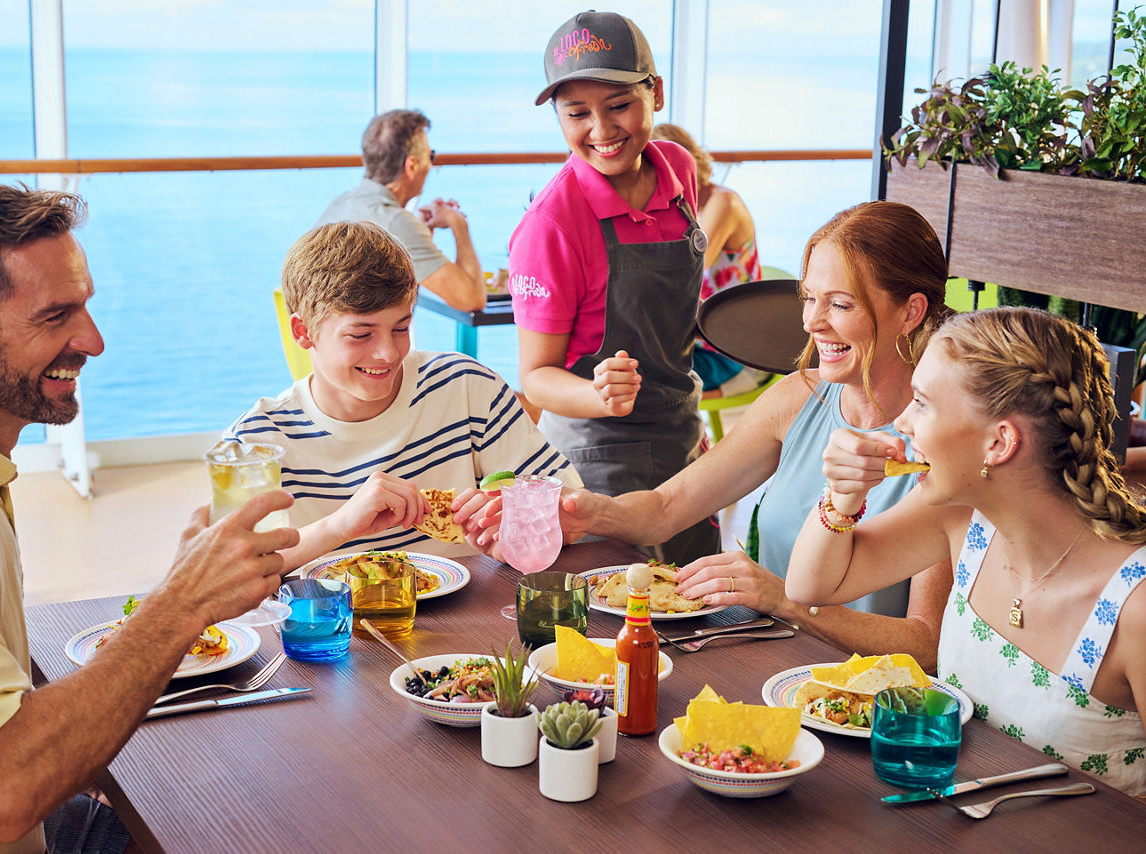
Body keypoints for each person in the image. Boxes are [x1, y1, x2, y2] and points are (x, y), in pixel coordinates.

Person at [0, 184, 300, 851]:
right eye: (54, 316)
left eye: (86, 306)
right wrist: (182, 603)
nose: (93, 341)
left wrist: (179, 589)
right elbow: (3, 791)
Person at [481, 201, 954, 670]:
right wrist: (589, 514)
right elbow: (668, 508)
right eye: (810, 297)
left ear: (911, 311)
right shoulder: (799, 397)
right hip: (767, 666)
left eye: (840, 303)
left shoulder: (944, 444)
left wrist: (782, 599)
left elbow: (927, 643)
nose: (811, 321)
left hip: (867, 706)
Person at [786, 308, 1146, 795]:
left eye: (922, 402)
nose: (901, 421)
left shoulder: (1136, 608)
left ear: (999, 442)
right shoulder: (963, 516)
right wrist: (841, 495)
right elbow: (811, 587)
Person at [225, 220, 580, 565]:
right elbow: (229, 575)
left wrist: (516, 531)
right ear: (303, 332)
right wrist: (340, 526)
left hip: (472, 618)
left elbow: (572, 508)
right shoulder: (255, 443)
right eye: (361, 335)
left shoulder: (468, 388)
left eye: (401, 327)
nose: (388, 353)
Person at [508, 11, 714, 564]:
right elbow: (535, 376)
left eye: (619, 105)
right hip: (597, 463)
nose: (601, 131)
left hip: (682, 441)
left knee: (705, 623)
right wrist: (597, 394)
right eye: (577, 113)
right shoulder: (550, 226)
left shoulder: (677, 168)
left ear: (657, 94)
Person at [313, 109, 486, 312]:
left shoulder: (340, 203)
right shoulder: (396, 223)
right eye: (430, 156)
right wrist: (458, 224)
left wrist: (420, 229)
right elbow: (472, 299)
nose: (431, 165)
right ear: (411, 165)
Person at [650, 122, 771, 397]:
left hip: (736, 352)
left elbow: (687, 271)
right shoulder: (680, 209)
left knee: (644, 376)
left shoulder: (723, 203)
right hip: (706, 341)